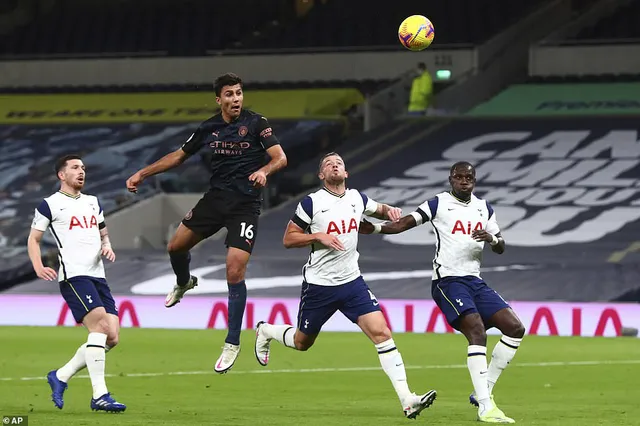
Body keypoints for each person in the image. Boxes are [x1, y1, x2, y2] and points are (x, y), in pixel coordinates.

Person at [254, 152, 437, 419]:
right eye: (328, 164)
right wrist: (318, 236)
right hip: (320, 285)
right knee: (302, 343)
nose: (334, 165)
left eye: (338, 162)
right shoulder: (312, 203)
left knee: (382, 333)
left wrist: (391, 210)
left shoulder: (356, 198)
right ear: (321, 175)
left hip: (352, 282)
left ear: (346, 172)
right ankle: (266, 330)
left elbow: (379, 209)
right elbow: (289, 239)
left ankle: (407, 399)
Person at [125, 72, 287, 373]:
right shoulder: (209, 128)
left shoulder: (257, 124)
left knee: (234, 269)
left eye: (239, 93)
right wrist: (142, 174)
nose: (236, 99)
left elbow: (280, 158)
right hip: (214, 201)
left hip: (245, 206)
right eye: (229, 94)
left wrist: (265, 171)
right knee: (175, 247)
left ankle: (232, 342)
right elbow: (178, 157)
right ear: (219, 99)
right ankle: (184, 281)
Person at [360, 161, 525, 423]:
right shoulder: (438, 203)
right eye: (458, 177)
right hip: (448, 281)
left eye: (468, 177)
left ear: (475, 180)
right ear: (451, 179)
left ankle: (484, 389)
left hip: (474, 280)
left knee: (515, 328)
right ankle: (486, 406)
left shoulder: (485, 208)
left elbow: (501, 245)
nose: (463, 181)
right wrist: (376, 228)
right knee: (477, 332)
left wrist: (492, 239)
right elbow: (406, 223)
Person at [27, 154, 126, 412]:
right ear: (62, 175)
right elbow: (34, 239)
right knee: (101, 327)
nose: (81, 171)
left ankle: (60, 375)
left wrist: (107, 246)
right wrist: (38, 266)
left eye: (83, 167)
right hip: (74, 275)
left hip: (98, 276)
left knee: (112, 337)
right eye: (75, 167)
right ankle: (100, 395)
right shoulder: (49, 204)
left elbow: (103, 233)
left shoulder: (93, 202)